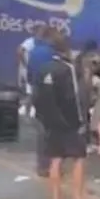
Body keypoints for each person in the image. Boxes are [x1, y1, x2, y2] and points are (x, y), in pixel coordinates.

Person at [34, 30, 100, 199]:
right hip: (69, 122)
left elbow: (37, 96)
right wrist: (81, 122)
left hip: (50, 122)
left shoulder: (44, 69)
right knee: (79, 159)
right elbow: (74, 98)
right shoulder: (67, 69)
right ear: (67, 49)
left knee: (55, 160)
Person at [27, 26, 59, 178]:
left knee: (41, 129)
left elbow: (29, 73)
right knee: (50, 130)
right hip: (49, 92)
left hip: (36, 90)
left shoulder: (34, 51)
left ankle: (42, 164)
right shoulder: (51, 53)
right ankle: (48, 165)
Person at [17, 24, 46, 114]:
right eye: (41, 30)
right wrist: (26, 64)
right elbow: (19, 51)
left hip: (37, 71)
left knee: (36, 92)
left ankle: (33, 112)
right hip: (29, 71)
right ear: (36, 32)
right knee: (30, 93)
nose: (43, 32)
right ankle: (26, 113)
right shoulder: (30, 41)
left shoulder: (43, 43)